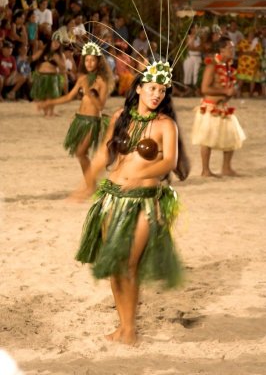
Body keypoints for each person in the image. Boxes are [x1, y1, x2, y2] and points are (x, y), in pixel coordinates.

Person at [74, 60, 190, 345]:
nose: (157, 95)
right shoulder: (119, 117)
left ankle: (131, 331)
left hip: (143, 202)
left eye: (162, 90)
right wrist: (87, 182)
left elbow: (169, 162)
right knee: (113, 264)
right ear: (138, 88)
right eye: (152, 88)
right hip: (112, 197)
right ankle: (123, 327)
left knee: (129, 264)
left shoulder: (166, 125)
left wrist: (139, 177)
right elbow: (103, 153)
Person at [38, 41, 115, 176]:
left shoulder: (102, 81)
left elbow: (100, 106)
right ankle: (90, 183)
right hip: (79, 120)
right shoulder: (83, 78)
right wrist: (50, 102)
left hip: (92, 122)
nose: (89, 63)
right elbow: (69, 97)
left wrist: (88, 91)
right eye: (86, 60)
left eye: (92, 60)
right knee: (81, 154)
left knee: (81, 153)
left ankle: (90, 184)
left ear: (99, 62)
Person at [192, 36, 246, 177]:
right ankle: (205, 170)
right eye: (230, 48)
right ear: (221, 49)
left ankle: (226, 168)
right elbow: (204, 89)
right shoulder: (212, 66)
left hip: (223, 107)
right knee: (207, 139)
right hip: (210, 107)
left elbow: (226, 86)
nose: (232, 50)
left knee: (232, 136)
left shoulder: (227, 67)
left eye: (233, 47)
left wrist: (231, 91)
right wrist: (225, 91)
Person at [30, 36, 66, 116]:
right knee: (41, 96)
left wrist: (57, 60)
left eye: (58, 43)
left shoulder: (60, 55)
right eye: (55, 42)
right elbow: (32, 59)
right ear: (50, 42)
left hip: (52, 77)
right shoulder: (42, 52)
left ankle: (51, 112)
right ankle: (46, 111)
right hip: (40, 76)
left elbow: (63, 68)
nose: (56, 44)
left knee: (52, 96)